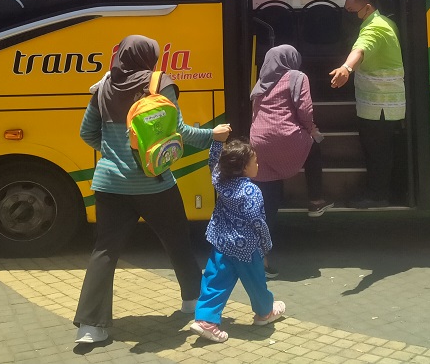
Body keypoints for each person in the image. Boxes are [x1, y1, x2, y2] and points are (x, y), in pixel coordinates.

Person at [73, 35, 232, 345]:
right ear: (149, 57)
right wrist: (213, 134)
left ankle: (90, 327)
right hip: (153, 183)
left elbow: (86, 132)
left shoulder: (103, 86)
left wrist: (113, 154)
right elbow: (179, 131)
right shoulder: (160, 83)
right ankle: (195, 305)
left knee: (104, 251)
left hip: (109, 184)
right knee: (177, 241)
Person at [190, 138, 286, 343]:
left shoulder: (220, 181)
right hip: (246, 247)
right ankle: (264, 312)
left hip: (221, 242)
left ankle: (205, 320)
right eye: (255, 162)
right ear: (243, 168)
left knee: (215, 280)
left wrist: (217, 142)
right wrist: (266, 244)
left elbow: (213, 163)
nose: (258, 165)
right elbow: (257, 221)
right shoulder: (252, 191)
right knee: (256, 282)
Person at [250, 45, 332, 277]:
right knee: (314, 145)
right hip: (285, 137)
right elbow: (305, 109)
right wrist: (310, 130)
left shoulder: (261, 82)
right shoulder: (297, 76)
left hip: (258, 140)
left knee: (268, 201)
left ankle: (260, 260)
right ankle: (316, 200)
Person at [329, 0, 405, 209]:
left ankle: (377, 195)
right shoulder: (386, 22)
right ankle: (381, 191)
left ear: (367, 7)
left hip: (379, 106)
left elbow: (361, 49)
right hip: (384, 103)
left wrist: (345, 68)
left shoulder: (375, 28)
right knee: (382, 150)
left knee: (377, 152)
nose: (349, 16)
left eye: (352, 11)